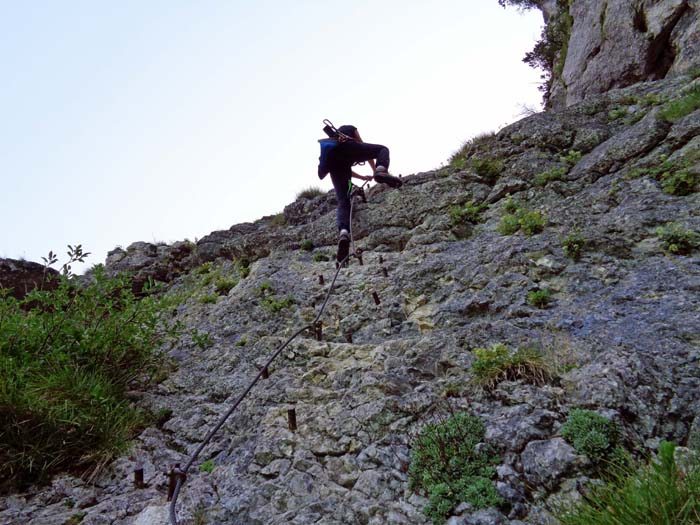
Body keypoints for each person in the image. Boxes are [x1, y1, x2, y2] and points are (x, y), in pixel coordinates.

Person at [317, 124, 393, 264]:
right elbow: (361, 145)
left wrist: (363, 178)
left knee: (343, 201)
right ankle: (382, 169)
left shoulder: (333, 145)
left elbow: (346, 171)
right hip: (349, 150)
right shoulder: (349, 128)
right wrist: (376, 171)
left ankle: (344, 233)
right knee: (382, 149)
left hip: (334, 164)